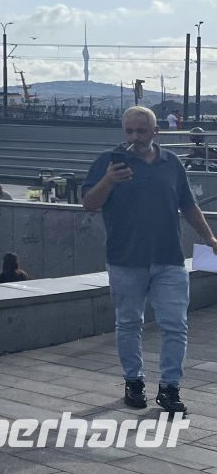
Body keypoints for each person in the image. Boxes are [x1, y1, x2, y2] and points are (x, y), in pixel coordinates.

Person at [81, 106, 217, 415]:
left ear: (155, 132)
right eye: (129, 131)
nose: (134, 137)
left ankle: (170, 388)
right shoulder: (108, 161)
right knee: (129, 323)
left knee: (176, 325)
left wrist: (210, 238)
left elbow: (188, 205)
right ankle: (134, 382)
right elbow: (89, 203)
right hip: (125, 259)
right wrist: (109, 181)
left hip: (169, 258)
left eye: (141, 131)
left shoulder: (171, 162)